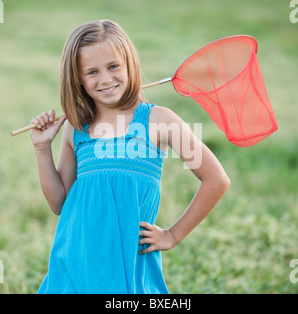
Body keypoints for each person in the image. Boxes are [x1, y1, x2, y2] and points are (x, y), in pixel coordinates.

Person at [31, 19, 230, 294]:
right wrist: (42, 149)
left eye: (113, 66)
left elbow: (216, 179)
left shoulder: (159, 122)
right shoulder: (76, 128)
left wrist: (173, 235)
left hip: (128, 265)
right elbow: (58, 204)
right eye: (92, 72)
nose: (106, 79)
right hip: (76, 262)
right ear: (77, 78)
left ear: (129, 64)